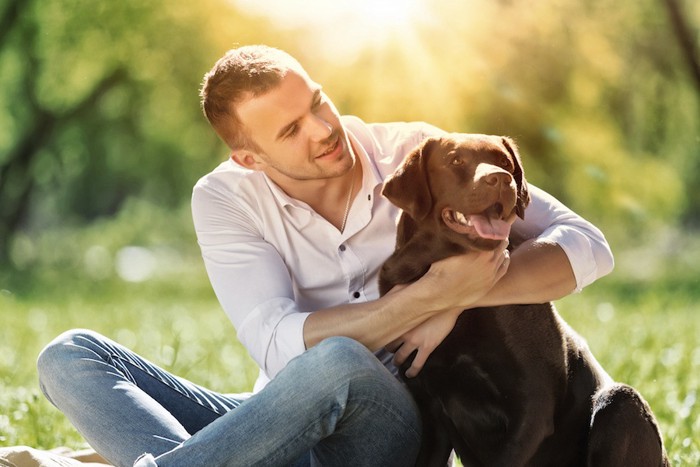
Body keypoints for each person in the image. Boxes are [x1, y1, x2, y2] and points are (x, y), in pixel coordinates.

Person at [37, 45, 614, 467]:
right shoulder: (224, 199)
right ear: (250, 159)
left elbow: (587, 245)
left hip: (390, 424)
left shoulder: (419, 158)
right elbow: (275, 342)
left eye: (317, 102)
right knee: (67, 356)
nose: (322, 129)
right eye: (291, 130)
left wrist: (469, 291)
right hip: (279, 417)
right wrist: (425, 299)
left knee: (338, 359)